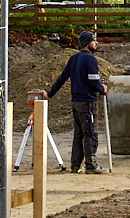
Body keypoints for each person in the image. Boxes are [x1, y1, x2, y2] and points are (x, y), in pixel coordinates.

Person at [38, 30, 108, 173]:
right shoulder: (90, 60)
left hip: (76, 102)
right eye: (94, 40)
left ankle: (75, 165)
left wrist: (50, 94)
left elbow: (62, 78)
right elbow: (94, 82)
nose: (97, 42)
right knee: (90, 133)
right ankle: (91, 165)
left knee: (78, 134)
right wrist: (103, 89)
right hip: (87, 102)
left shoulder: (73, 59)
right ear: (87, 42)